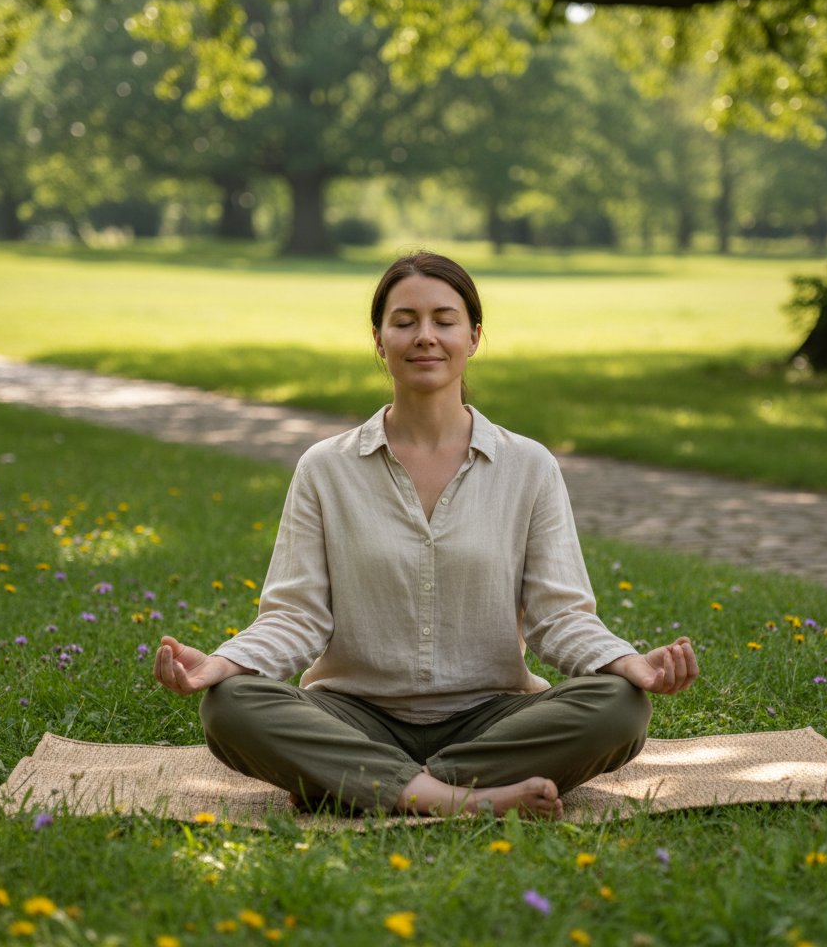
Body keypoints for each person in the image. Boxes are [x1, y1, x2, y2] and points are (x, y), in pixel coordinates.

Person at [154, 251, 698, 819]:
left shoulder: (529, 467)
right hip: (352, 714)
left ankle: (351, 783)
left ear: (474, 336)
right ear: (379, 338)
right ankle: (457, 799)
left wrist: (626, 662)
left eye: (444, 320)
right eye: (405, 321)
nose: (425, 337)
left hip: (495, 717)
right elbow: (296, 616)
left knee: (618, 708)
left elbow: (557, 617)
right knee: (231, 707)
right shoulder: (324, 468)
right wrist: (224, 663)